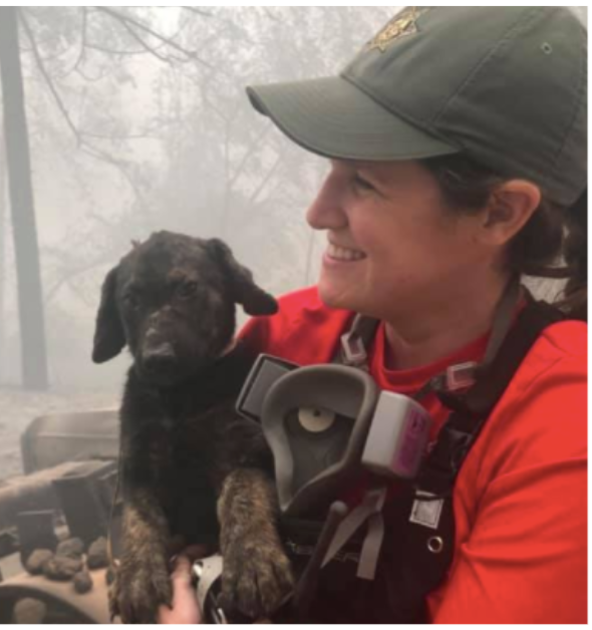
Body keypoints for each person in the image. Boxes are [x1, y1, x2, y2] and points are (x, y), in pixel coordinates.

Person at [161, 6, 586, 624]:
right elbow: (156, 492)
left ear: (499, 212)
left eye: (363, 182)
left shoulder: (564, 422)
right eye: (330, 169)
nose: (316, 210)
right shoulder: (289, 336)